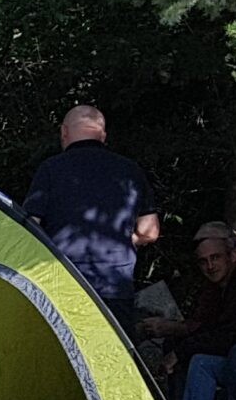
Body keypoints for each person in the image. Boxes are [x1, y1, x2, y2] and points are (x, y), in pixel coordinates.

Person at [22, 105, 161, 335]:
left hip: (63, 284)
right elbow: (150, 231)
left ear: (64, 132)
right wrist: (124, 242)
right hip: (115, 284)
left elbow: (31, 227)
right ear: (103, 135)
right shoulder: (130, 170)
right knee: (114, 359)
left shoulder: (50, 170)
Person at [155, 223, 236, 400]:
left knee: (206, 358)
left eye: (215, 258)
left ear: (231, 256)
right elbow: (203, 327)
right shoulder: (213, 289)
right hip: (228, 353)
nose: (210, 266)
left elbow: (228, 336)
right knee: (197, 360)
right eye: (203, 261)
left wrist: (181, 351)